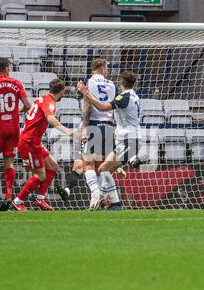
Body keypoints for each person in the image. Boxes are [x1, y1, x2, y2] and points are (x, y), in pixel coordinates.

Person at [76, 71, 143, 210]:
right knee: (103, 170)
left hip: (129, 141)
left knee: (103, 169)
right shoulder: (134, 96)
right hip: (128, 140)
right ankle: (108, 201)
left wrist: (86, 93)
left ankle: (113, 203)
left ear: (121, 83)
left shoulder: (124, 97)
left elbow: (101, 107)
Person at [12, 78, 77, 212]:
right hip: (29, 143)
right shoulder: (50, 102)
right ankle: (18, 201)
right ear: (62, 92)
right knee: (40, 175)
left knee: (53, 166)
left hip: (33, 141)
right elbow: (50, 118)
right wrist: (68, 132)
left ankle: (40, 199)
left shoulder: (41, 99)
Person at [0, 57, 32, 211]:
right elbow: (28, 105)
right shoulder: (17, 83)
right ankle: (9, 195)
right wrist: (19, 111)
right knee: (9, 162)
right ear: (7, 68)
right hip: (13, 127)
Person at [78, 58, 120, 210]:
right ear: (103, 68)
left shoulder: (89, 83)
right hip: (109, 127)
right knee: (101, 167)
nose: (107, 70)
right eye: (107, 67)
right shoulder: (112, 85)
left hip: (94, 125)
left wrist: (84, 125)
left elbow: (88, 106)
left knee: (87, 164)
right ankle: (99, 202)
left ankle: (96, 194)